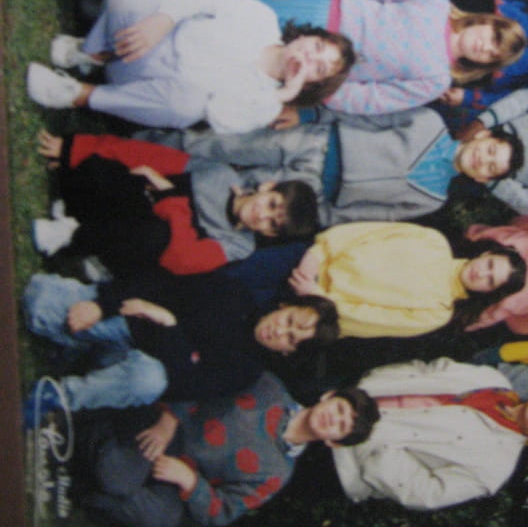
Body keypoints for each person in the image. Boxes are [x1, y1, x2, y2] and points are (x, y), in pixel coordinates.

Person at [26, 0, 354, 131]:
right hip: (137, 44)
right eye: (318, 47)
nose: (310, 57)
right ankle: (91, 54)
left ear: (312, 84)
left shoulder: (266, 102)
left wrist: (283, 94)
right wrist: (165, 18)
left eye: (319, 68)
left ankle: (76, 94)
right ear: (308, 35)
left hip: (145, 91)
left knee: (190, 105)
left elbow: (220, 116)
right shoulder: (262, 19)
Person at [133, 102, 525, 227]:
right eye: (491, 151)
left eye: (491, 168)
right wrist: (309, 115)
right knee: (221, 145)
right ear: (482, 137)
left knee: (225, 192)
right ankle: (133, 147)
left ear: (483, 180)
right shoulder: (428, 122)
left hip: (310, 193)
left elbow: (368, 216)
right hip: (317, 143)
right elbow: (363, 112)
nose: (484, 161)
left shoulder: (432, 199)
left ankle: (143, 188)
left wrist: (320, 214)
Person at [23, 267, 339, 418]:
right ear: (284, 306)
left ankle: (58, 396)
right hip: (126, 322)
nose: (279, 331)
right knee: (37, 302)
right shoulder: (233, 293)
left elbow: (179, 384)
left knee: (149, 379)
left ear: (288, 352)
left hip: (134, 368)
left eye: (290, 339)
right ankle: (79, 346)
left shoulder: (246, 372)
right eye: (288, 320)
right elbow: (160, 285)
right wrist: (102, 306)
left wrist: (166, 322)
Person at [74, 373, 378, 527]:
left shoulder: (277, 474)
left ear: (333, 442)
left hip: (175, 478)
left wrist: (190, 482)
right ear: (329, 396)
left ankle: (82, 490)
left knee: (159, 518)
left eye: (341, 426)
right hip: (162, 429)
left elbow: (222, 512)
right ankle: (88, 432)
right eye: (339, 409)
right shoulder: (268, 386)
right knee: (116, 477)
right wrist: (168, 421)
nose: (333, 419)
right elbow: (200, 378)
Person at [31, 128, 319, 276]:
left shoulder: (239, 245)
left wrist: (171, 199)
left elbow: (179, 259)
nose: (262, 215)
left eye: (272, 224)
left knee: (157, 234)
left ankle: (70, 237)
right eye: (271, 204)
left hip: (137, 247)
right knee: (120, 171)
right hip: (129, 208)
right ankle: (74, 214)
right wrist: (76, 149)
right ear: (267, 187)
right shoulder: (221, 174)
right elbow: (148, 155)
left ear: (270, 235)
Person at [259, 0, 526, 115]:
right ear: (486, 21)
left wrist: (316, 91)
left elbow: (372, 99)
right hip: (317, 10)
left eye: (492, 55)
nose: (485, 47)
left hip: (311, 70)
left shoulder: (436, 81)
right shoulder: (434, 0)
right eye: (493, 37)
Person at [332, 357, 528, 510]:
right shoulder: (492, 379)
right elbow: (429, 368)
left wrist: (373, 447)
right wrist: (369, 383)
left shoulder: (494, 469)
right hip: (345, 397)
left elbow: (427, 493)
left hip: (344, 457)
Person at [286, 221, 527, 338]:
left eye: (490, 281)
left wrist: (316, 298)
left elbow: (369, 322)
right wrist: (316, 254)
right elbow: (366, 232)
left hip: (307, 313)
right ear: (486, 254)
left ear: (487, 293)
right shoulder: (433, 241)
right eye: (489, 265)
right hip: (306, 259)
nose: (482, 274)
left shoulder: (437, 313)